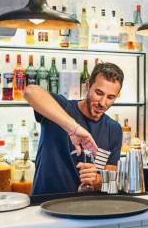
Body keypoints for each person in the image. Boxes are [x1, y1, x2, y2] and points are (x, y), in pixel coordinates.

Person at [24, 62, 124, 195]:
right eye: (99, 93)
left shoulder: (114, 129)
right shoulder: (62, 108)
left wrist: (97, 180)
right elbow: (30, 91)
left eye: (111, 97)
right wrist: (74, 129)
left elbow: (111, 179)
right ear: (88, 86)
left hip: (84, 209)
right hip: (44, 204)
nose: (103, 102)